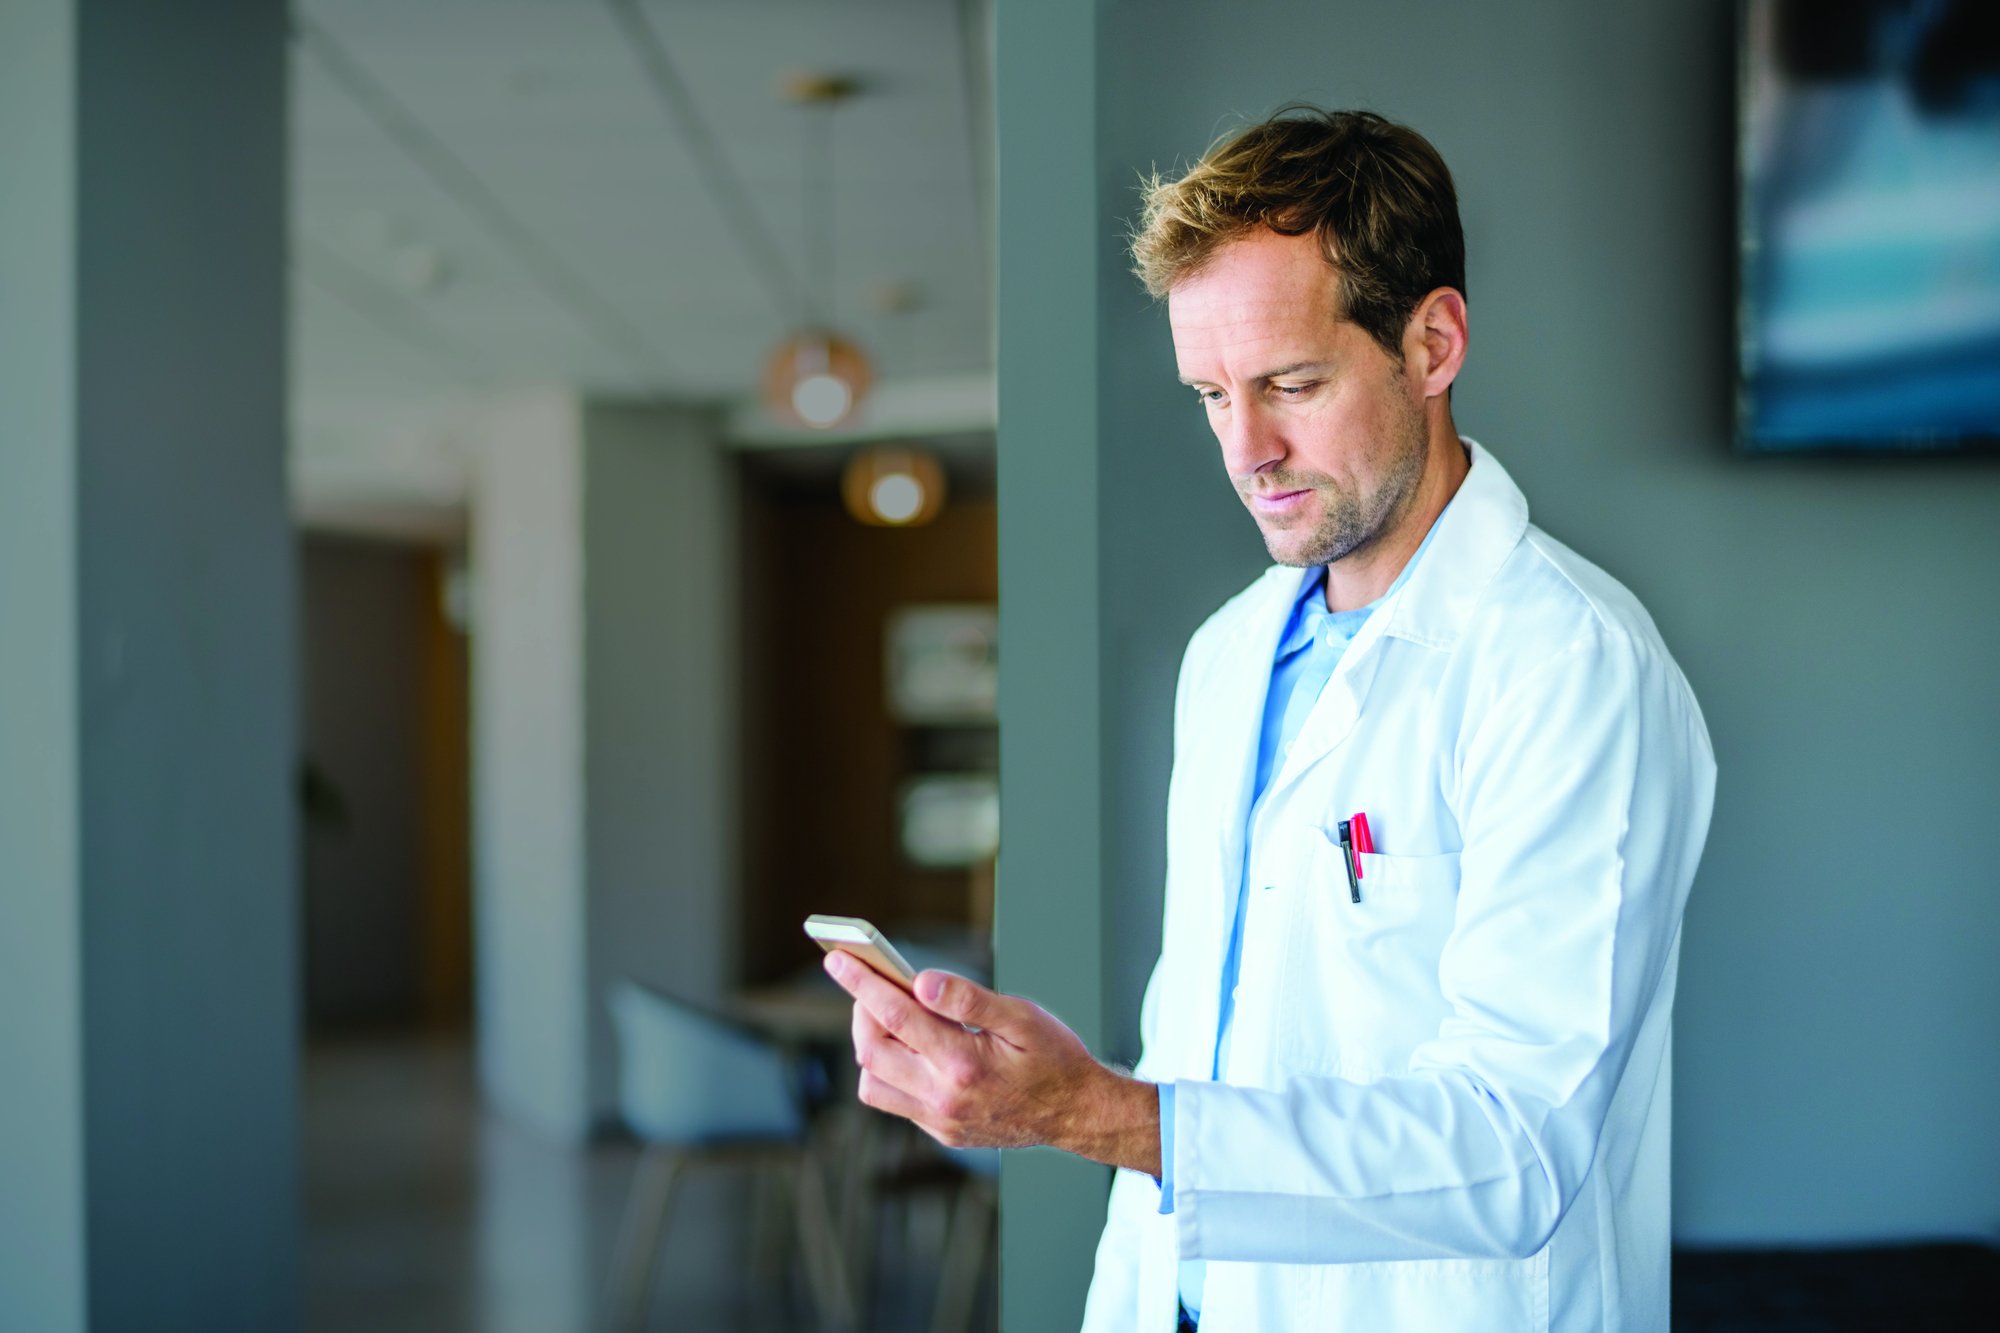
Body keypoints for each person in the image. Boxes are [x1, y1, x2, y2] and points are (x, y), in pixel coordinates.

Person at [823, 107, 1716, 1331]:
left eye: (1291, 382)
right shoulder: (1231, 653)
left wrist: (1087, 1110)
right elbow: (1197, 1045)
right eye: (1209, 393)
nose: (1246, 448)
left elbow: (1516, 1146)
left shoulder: (1567, 665)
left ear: (1433, 342)